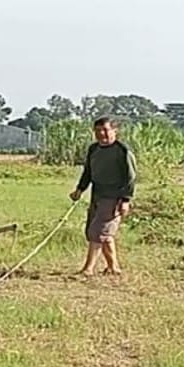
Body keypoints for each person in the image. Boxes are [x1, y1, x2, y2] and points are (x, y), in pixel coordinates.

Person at [69, 116, 137, 276]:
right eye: (98, 131)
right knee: (104, 233)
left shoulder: (122, 151)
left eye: (105, 130)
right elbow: (88, 171)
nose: (101, 134)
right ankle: (113, 267)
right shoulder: (94, 149)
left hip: (113, 197)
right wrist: (80, 189)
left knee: (98, 232)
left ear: (115, 131)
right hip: (97, 195)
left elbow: (130, 178)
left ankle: (88, 269)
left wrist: (126, 200)